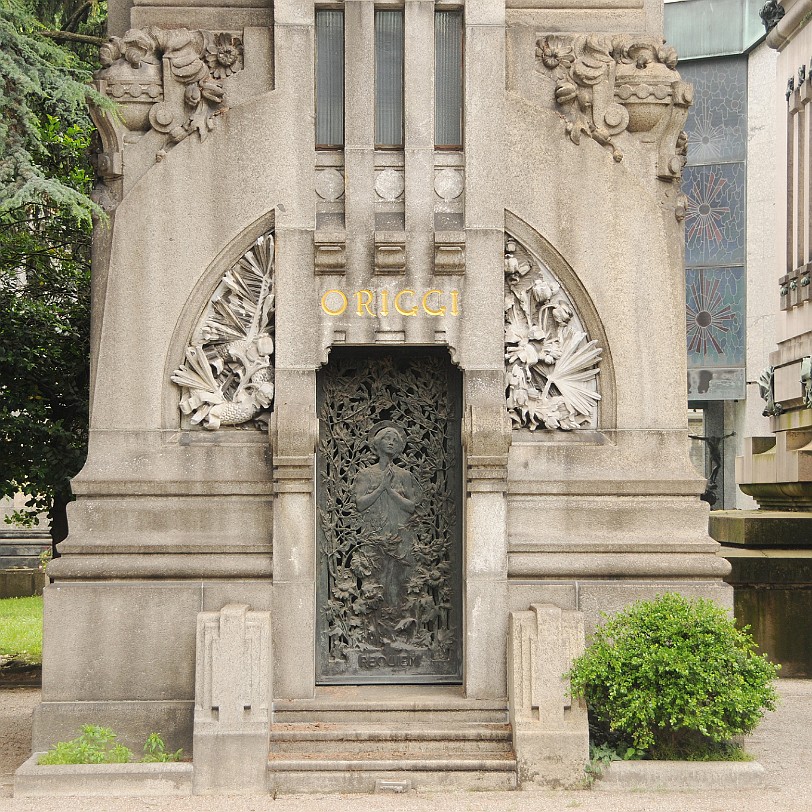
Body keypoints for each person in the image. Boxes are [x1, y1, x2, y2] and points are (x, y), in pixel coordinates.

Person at [353, 422, 421, 616]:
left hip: (399, 532)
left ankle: (400, 622)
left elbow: (411, 506)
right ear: (377, 443)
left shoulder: (404, 475)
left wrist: (390, 490)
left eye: (395, 440)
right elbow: (360, 504)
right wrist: (381, 487)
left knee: (399, 579)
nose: (391, 442)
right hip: (375, 532)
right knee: (376, 577)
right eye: (386, 438)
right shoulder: (366, 474)